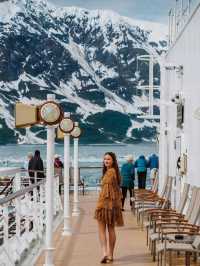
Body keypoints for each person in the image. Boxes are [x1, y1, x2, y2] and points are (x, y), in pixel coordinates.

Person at [94, 152, 124, 264]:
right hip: (113, 205)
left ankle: (104, 253)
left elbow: (106, 192)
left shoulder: (110, 172)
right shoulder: (114, 172)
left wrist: (100, 206)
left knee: (102, 230)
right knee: (111, 229)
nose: (106, 161)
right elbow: (115, 190)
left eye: (109, 159)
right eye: (105, 159)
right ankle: (110, 254)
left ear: (113, 161)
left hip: (105, 205)